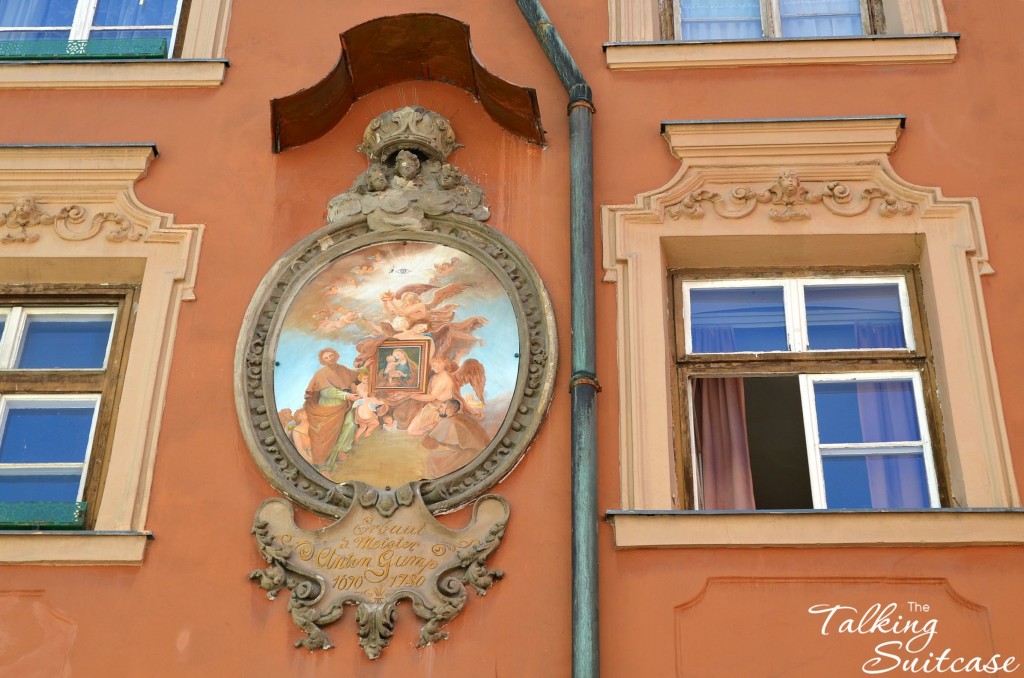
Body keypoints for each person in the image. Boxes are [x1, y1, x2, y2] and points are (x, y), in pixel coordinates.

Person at [302, 348, 357, 467]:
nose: (330, 359)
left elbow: (354, 374)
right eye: (326, 357)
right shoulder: (321, 373)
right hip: (328, 407)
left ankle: (342, 449)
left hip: (344, 405)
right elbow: (327, 392)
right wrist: (346, 395)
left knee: (351, 424)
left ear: (336, 356)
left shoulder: (342, 369)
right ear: (322, 361)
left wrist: (365, 368)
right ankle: (325, 461)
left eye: (331, 355)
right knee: (329, 434)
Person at [423, 399, 491, 478]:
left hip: (470, 456)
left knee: (432, 458)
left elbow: (429, 444)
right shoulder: (460, 417)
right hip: (479, 451)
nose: (439, 409)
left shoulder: (449, 422)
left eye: (441, 407)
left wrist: (429, 431)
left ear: (448, 410)